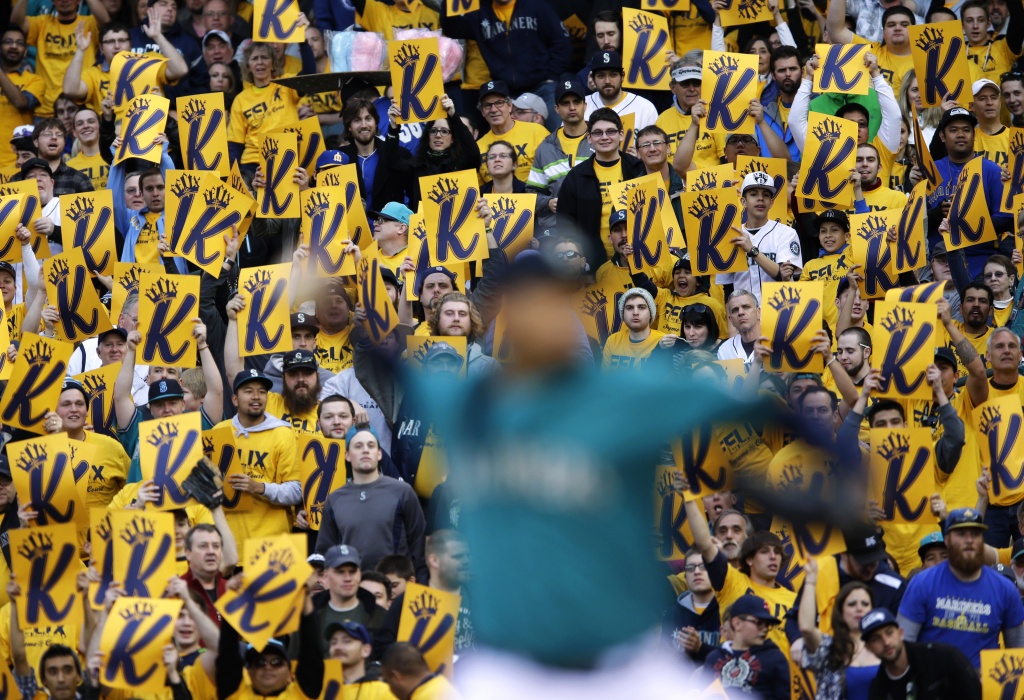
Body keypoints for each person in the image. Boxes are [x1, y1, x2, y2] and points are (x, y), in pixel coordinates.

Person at [898, 508, 1024, 666]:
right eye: (961, 534)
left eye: (975, 534)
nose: (969, 540)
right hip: (932, 685)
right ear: (947, 540)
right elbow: (902, 646)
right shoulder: (922, 584)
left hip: (982, 686)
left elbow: (1018, 653)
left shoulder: (1005, 590)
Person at [440, 0, 571, 131]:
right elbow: (453, 28)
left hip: (542, 85)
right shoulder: (480, 12)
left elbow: (562, 41)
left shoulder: (536, 6)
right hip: (506, 90)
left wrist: (552, 75)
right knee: (508, 138)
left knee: (558, 130)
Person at [315, 426, 427, 579]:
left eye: (371, 445)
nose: (365, 450)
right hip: (352, 588)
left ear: (379, 453)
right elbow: (325, 551)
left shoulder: (402, 492)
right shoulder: (335, 499)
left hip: (394, 589)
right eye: (358, 446)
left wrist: (420, 585)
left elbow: (418, 544)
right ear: (347, 455)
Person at [214, 370, 301, 543]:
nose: (256, 396)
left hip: (271, 544)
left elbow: (297, 490)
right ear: (234, 400)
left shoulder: (283, 434)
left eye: (262, 392)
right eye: (248, 391)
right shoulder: (219, 431)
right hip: (228, 542)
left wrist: (260, 487)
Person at [926, 107, 1012, 277]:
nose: (960, 134)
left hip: (980, 263)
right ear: (942, 136)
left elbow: (1006, 218)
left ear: (974, 135)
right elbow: (916, 224)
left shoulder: (991, 169)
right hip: (939, 264)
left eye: (966, 130)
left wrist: (968, 219)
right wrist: (938, 213)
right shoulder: (930, 170)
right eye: (953, 130)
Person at [557, 108, 646, 269]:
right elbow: (565, 225)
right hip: (592, 263)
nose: (604, 137)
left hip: (639, 257)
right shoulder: (576, 176)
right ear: (589, 138)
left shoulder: (638, 168)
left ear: (621, 134)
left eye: (610, 131)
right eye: (598, 133)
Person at [63, 18, 187, 118]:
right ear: (101, 48)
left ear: (130, 44)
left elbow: (180, 70)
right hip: (113, 139)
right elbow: (70, 90)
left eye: (122, 40)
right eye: (110, 42)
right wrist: (80, 50)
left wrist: (158, 37)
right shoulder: (94, 74)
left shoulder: (149, 61)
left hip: (152, 135)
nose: (117, 46)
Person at [796, 560, 880, 700]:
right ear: (840, 611)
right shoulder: (830, 648)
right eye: (852, 604)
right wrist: (810, 581)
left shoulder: (884, 646)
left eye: (865, 604)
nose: (859, 608)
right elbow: (806, 627)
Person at [12, 0, 108, 119]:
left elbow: (105, 22)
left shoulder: (88, 23)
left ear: (78, 1)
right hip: (46, 110)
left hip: (81, 107)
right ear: (52, 1)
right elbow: (16, 23)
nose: (64, 0)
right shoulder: (42, 23)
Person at [716, 171, 801, 304]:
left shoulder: (786, 233)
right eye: (754, 194)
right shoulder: (730, 235)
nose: (760, 199)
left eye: (765, 195)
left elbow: (784, 276)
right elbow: (728, 287)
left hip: (777, 313)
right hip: (742, 316)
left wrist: (753, 251)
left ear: (771, 203)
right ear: (743, 201)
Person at [860, 608, 981, 700]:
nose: (886, 642)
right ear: (868, 647)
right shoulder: (878, 690)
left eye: (889, 633)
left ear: (901, 633)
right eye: (876, 639)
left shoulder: (944, 658)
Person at [228, 40, 315, 167]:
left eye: (264, 57)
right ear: (248, 66)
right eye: (254, 59)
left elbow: (309, 75)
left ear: (273, 64)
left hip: (286, 157)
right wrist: (236, 175)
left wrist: (303, 41)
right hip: (253, 163)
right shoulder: (240, 100)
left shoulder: (287, 85)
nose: (260, 62)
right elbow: (235, 143)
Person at [528, 78, 594, 231]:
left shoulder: (602, 138)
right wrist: (547, 202)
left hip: (595, 223)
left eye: (576, 102)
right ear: (556, 109)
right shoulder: (545, 148)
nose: (572, 107)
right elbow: (532, 192)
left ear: (585, 105)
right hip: (558, 229)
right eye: (565, 103)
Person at [702, 594, 790, 700]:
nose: (765, 629)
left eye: (767, 625)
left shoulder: (775, 659)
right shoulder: (713, 658)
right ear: (737, 623)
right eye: (759, 623)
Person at [338, 97, 414, 212]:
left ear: (376, 123)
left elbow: (415, 194)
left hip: (389, 227)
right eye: (357, 120)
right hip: (352, 228)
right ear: (349, 126)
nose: (364, 125)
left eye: (368, 119)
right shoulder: (339, 159)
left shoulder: (401, 155)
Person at [824, 0, 917, 94]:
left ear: (914, 30)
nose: (897, 28)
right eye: (891, 25)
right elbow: (835, 31)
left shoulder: (924, 60)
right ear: (883, 32)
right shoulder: (871, 50)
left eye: (904, 24)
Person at [405, 95, 479, 210]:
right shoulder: (415, 165)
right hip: (422, 225)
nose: (438, 135)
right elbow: (390, 161)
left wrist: (453, 116)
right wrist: (393, 129)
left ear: (453, 138)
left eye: (444, 131)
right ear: (427, 135)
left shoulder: (460, 164)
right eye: (433, 131)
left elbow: (473, 153)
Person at [474, 81, 550, 185]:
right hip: (496, 200)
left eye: (499, 103)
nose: (493, 109)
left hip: (535, 198)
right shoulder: (478, 147)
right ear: (482, 111)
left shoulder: (536, 132)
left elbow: (554, 171)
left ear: (509, 106)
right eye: (487, 105)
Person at [311, 544, 387, 640]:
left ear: (359, 574)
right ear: (326, 576)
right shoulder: (310, 615)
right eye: (340, 572)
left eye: (352, 571)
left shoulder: (379, 614)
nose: (347, 578)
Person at [665, 549, 720, 665]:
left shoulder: (730, 610)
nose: (696, 572)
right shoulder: (672, 614)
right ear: (685, 576)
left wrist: (701, 648)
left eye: (703, 566)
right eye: (690, 568)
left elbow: (739, 660)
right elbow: (662, 658)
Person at [583, 50, 658, 131]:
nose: (607, 81)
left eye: (613, 75)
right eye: (601, 76)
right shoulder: (582, 106)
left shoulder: (645, 107)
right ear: (593, 78)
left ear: (622, 76)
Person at [0, 26, 42, 169]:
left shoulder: (35, 80)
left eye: (19, 43)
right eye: (8, 42)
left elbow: (21, 102)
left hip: (18, 161)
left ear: (25, 52)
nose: (13, 46)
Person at [21, 121, 93, 196]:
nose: (54, 137)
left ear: (64, 143)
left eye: (59, 135)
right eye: (47, 134)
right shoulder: (18, 179)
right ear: (36, 142)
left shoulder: (79, 179)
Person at [961, 0, 1024, 83]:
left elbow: (1018, 19)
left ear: (988, 24)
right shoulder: (956, 53)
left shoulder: (1003, 49)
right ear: (962, 25)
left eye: (981, 20)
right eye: (969, 20)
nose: (975, 26)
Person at [602, 288, 664, 370]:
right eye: (629, 308)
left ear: (651, 313)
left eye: (641, 307)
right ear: (622, 314)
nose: (635, 312)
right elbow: (605, 379)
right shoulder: (613, 341)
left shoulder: (663, 342)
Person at [325, 621, 392, 694]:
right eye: (333, 643)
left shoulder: (383, 693)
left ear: (366, 650)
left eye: (347, 641)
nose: (338, 647)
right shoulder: (320, 692)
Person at [65, 109, 108, 190]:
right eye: (80, 124)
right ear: (74, 133)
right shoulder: (68, 167)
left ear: (100, 127)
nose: (86, 126)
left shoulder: (116, 158)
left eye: (91, 121)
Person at [717, 290, 762, 364]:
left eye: (746, 307)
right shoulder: (725, 350)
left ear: (758, 312)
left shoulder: (778, 342)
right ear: (731, 320)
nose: (740, 312)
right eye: (735, 310)